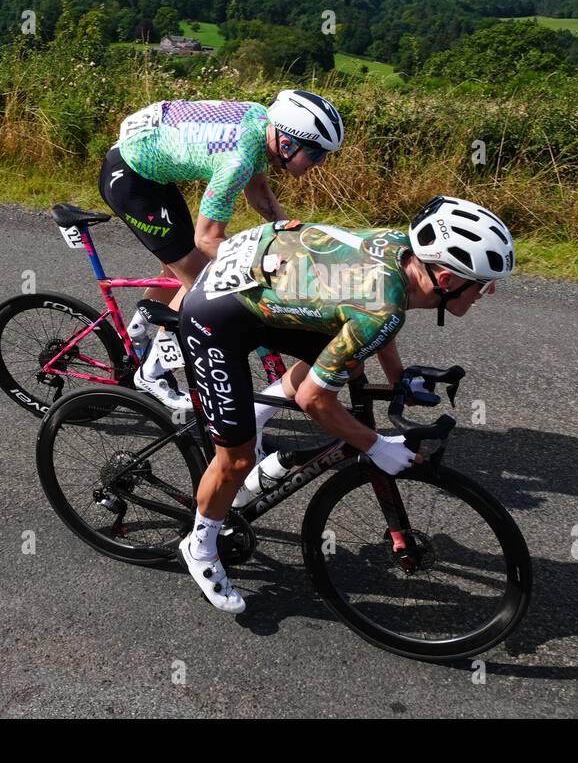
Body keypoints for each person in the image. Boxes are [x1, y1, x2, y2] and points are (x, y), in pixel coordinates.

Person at [174, 195, 516, 612]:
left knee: (342, 359)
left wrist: (398, 377)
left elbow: (373, 324)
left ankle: (258, 417)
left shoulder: (399, 249)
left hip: (263, 276)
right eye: (483, 281)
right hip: (216, 314)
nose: (490, 290)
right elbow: (314, 398)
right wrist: (376, 445)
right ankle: (200, 547)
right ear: (445, 280)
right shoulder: (385, 307)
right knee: (237, 460)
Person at [98, 90, 344, 410]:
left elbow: (258, 190)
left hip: (146, 163)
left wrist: (291, 237)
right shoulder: (237, 160)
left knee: (175, 263)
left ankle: (136, 334)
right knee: (202, 277)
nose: (320, 163)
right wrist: (263, 265)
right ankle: (153, 371)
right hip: (132, 180)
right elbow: (208, 239)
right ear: (287, 143)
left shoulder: (260, 122)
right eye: (316, 154)